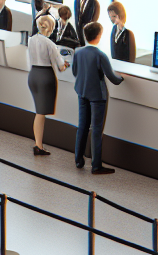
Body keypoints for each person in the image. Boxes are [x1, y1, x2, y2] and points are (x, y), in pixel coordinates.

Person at [72, 21, 124, 175]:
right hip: (97, 96)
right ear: (99, 36)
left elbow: (75, 72)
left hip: (82, 92)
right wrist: (122, 78)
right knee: (96, 130)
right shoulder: (100, 55)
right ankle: (96, 165)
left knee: (82, 127)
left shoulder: (78, 51)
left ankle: (78, 160)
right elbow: (112, 78)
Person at [26, 14, 66, 156]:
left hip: (33, 75)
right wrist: (65, 64)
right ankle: (38, 145)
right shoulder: (50, 44)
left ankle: (38, 143)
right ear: (50, 28)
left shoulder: (30, 40)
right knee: (41, 113)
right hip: (45, 77)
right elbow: (61, 65)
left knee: (39, 111)